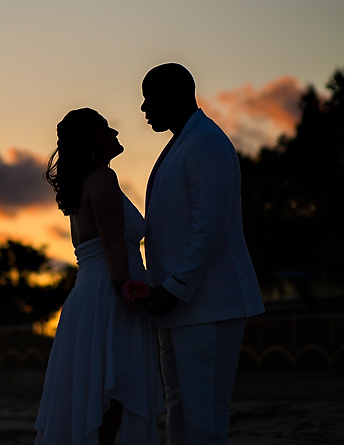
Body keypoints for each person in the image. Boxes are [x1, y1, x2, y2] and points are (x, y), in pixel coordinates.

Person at [140, 63, 265, 444]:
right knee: (179, 408)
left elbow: (207, 227)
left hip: (208, 304)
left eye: (150, 98)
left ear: (177, 95)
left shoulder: (206, 142)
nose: (144, 109)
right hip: (179, 307)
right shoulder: (183, 144)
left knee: (204, 414)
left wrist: (175, 286)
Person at [34, 108, 163, 444]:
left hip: (92, 294)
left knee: (105, 398)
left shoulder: (85, 183)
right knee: (114, 396)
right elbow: (112, 241)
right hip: (111, 296)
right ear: (91, 144)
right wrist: (133, 294)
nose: (116, 134)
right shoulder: (102, 178)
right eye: (107, 131)